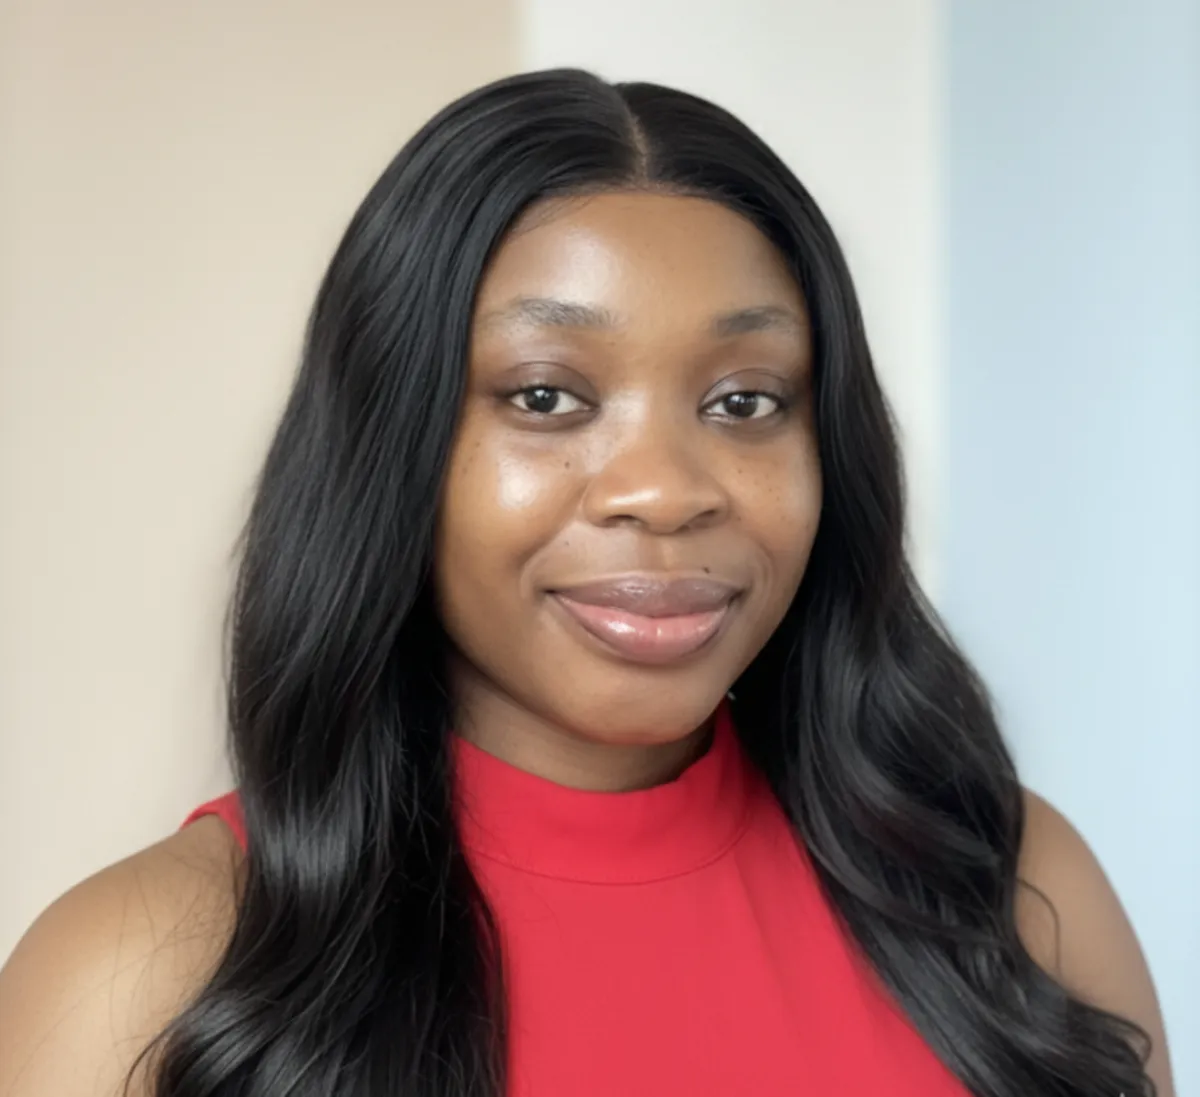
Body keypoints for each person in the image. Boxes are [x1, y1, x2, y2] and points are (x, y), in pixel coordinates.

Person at [0, 69, 1175, 1097]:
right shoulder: (141, 973)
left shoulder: (1012, 889)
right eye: (547, 395)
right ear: (391, 446)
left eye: (745, 400)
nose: (664, 492)